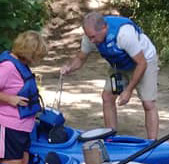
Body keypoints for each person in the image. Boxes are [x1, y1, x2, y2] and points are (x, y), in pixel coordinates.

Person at [61, 12, 159, 140]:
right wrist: (69, 68)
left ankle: (152, 143)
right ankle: (110, 137)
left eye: (93, 37)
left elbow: (141, 63)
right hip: (119, 64)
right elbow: (81, 58)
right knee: (107, 97)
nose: (91, 41)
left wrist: (128, 90)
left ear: (104, 28)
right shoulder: (90, 37)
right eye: (88, 37)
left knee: (148, 103)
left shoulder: (124, 35)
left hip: (144, 60)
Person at [0, 31, 48, 164]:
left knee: (23, 163)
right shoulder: (8, 67)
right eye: (38, 56)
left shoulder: (20, 64)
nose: (39, 60)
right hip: (6, 124)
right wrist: (9, 99)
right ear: (29, 53)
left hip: (21, 127)